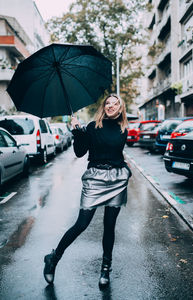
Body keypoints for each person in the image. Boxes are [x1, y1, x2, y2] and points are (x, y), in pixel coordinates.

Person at [43, 94, 131, 288]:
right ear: (104, 107)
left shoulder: (123, 129)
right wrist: (77, 131)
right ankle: (53, 258)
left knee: (109, 225)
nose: (111, 106)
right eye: (108, 103)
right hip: (95, 179)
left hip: (117, 179)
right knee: (82, 224)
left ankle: (105, 269)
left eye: (115, 103)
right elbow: (80, 152)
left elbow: (114, 152)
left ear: (120, 108)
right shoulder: (93, 127)